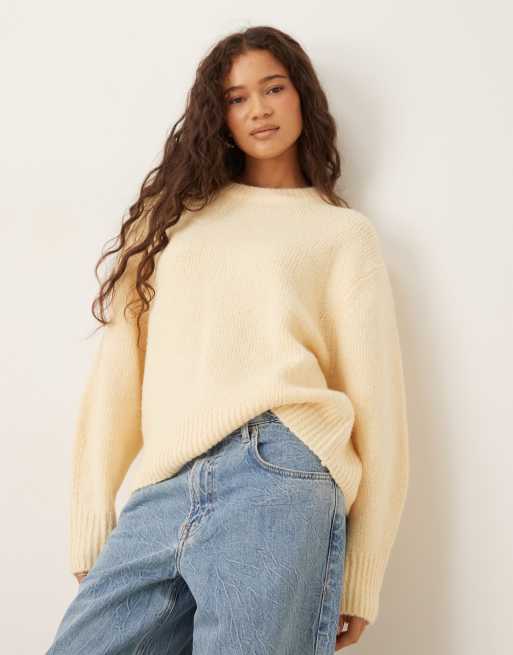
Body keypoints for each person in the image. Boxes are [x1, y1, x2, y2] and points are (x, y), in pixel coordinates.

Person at [46, 25, 409, 654]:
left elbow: (381, 412)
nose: (259, 109)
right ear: (219, 116)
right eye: (237, 98)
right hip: (166, 479)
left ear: (303, 97)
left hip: (282, 469)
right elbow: (117, 374)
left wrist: (362, 574)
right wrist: (91, 521)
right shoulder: (172, 220)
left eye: (274, 88)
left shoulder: (342, 235)